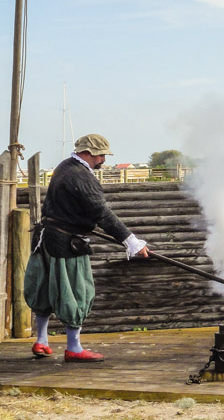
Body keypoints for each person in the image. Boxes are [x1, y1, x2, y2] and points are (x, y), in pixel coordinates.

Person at [23, 134, 150, 362]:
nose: (103, 160)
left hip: (46, 238)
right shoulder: (81, 176)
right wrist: (131, 241)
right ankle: (74, 348)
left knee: (44, 289)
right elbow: (101, 213)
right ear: (88, 153)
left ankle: (41, 341)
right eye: (101, 155)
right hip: (65, 243)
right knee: (77, 292)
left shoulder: (65, 166)